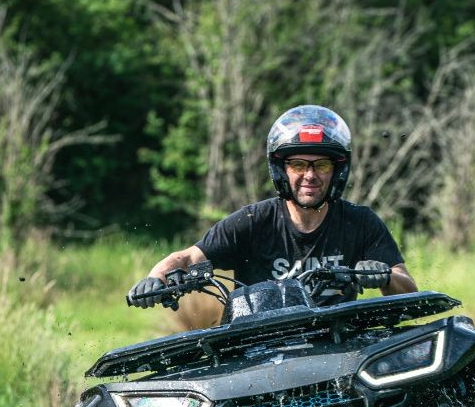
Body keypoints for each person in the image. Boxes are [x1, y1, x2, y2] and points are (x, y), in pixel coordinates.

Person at [129, 104, 418, 308]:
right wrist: (155, 279)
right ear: (281, 170)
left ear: (337, 171)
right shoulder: (252, 221)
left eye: (322, 165)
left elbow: (408, 290)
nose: (310, 175)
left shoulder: (360, 222)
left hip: (337, 344)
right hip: (256, 347)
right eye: (298, 165)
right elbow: (187, 258)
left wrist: (384, 276)